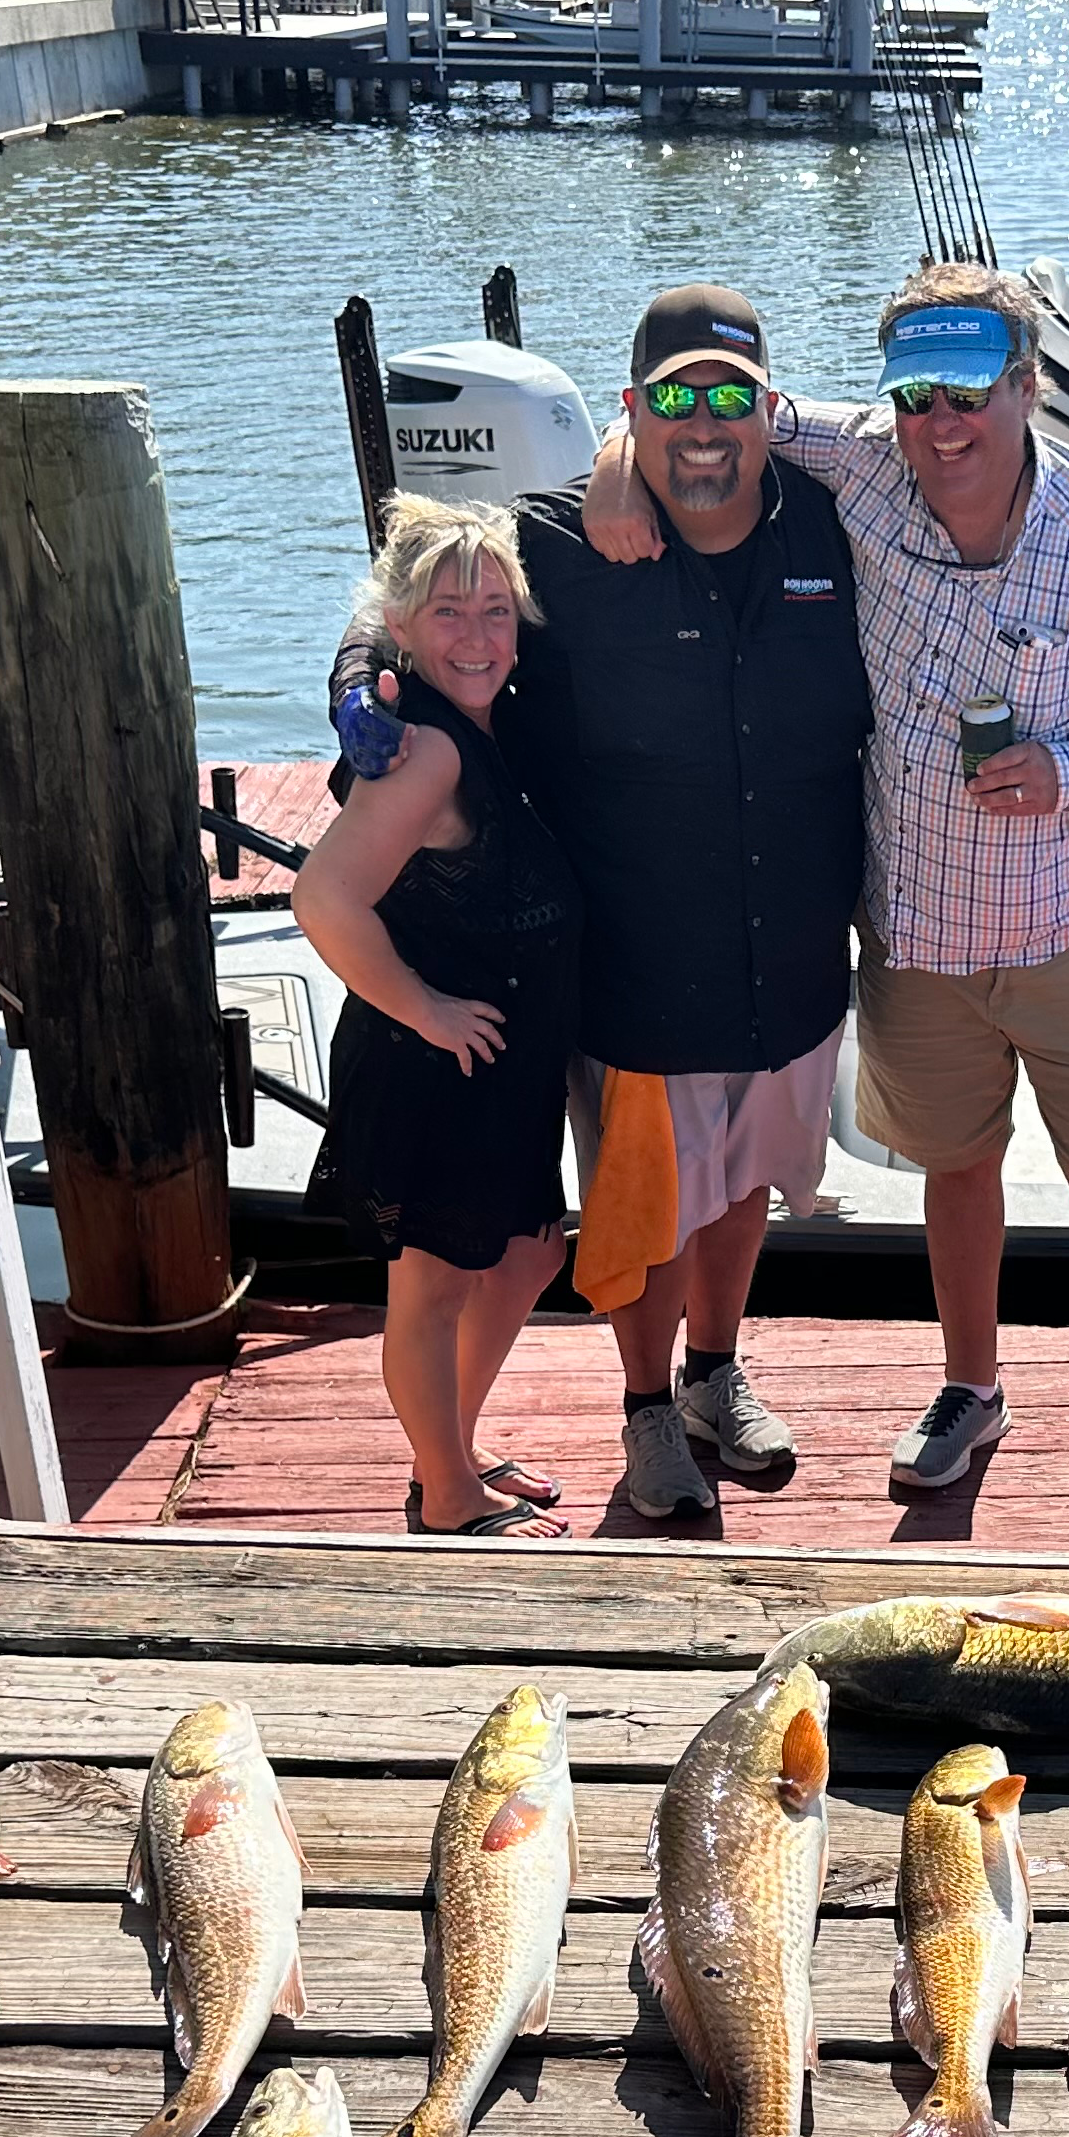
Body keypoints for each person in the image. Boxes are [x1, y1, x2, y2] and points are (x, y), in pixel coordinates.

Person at [586, 261, 1069, 1535]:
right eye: (916, 392)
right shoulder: (864, 467)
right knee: (959, 1170)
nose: (941, 424)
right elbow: (714, 412)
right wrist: (620, 454)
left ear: (1029, 386)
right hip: (921, 930)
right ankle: (969, 1389)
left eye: (971, 392)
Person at [335, 284, 872, 1522]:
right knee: (646, 1213)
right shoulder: (564, 542)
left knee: (743, 1188)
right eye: (672, 399)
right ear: (629, 407)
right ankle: (644, 1412)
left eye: (729, 398)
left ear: (768, 410)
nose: (704, 424)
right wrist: (360, 683)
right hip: (637, 963)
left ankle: (715, 1378)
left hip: (791, 949)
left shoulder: (834, 528)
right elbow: (413, 606)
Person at [296, 497, 579, 1539]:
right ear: (403, 630)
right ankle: (446, 1494)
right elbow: (323, 900)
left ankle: (447, 1445)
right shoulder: (425, 754)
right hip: (435, 1061)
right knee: (433, 1288)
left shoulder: (497, 720)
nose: (476, 635)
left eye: (495, 611)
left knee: (532, 1252)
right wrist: (423, 1009)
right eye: (448, 612)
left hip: (503, 1062)